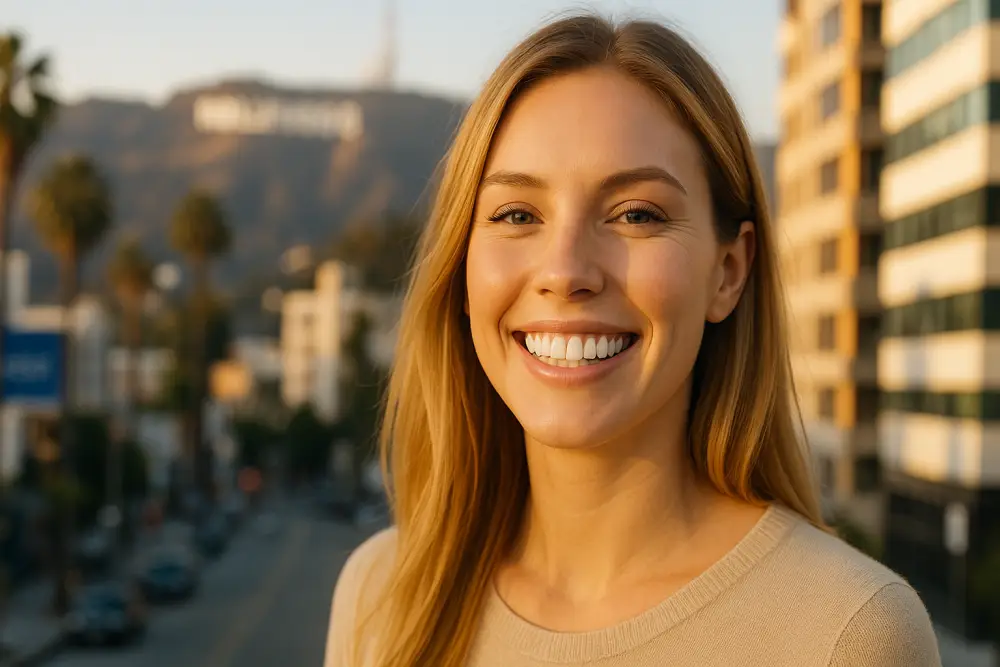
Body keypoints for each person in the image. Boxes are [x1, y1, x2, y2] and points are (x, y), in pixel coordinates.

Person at [325, 13, 942, 667]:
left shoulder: (846, 633)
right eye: (516, 214)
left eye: (637, 214)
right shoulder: (383, 592)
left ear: (728, 272)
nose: (564, 270)